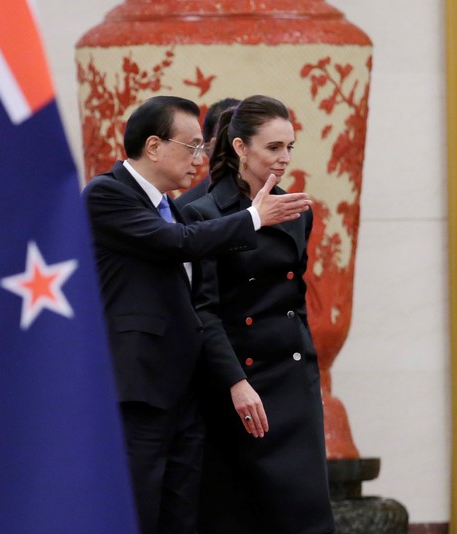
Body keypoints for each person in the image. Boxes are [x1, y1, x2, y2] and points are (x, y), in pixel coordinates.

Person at [82, 95, 312, 534]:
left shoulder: (175, 208)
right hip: (139, 388)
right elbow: (179, 243)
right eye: (191, 147)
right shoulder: (107, 194)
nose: (201, 158)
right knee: (137, 512)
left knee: (182, 515)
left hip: (186, 392)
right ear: (153, 146)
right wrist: (254, 219)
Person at [181, 95, 335, 533]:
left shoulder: (294, 210)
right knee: (241, 513)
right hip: (239, 385)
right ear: (240, 148)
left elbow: (294, 300)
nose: (284, 158)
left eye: (290, 146)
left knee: (305, 514)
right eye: (273, 148)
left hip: (292, 380)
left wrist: (310, 373)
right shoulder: (202, 213)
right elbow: (204, 311)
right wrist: (235, 382)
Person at [174, 97, 241, 209]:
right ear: (208, 147)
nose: (241, 148)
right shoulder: (187, 206)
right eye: (230, 139)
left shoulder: (276, 198)